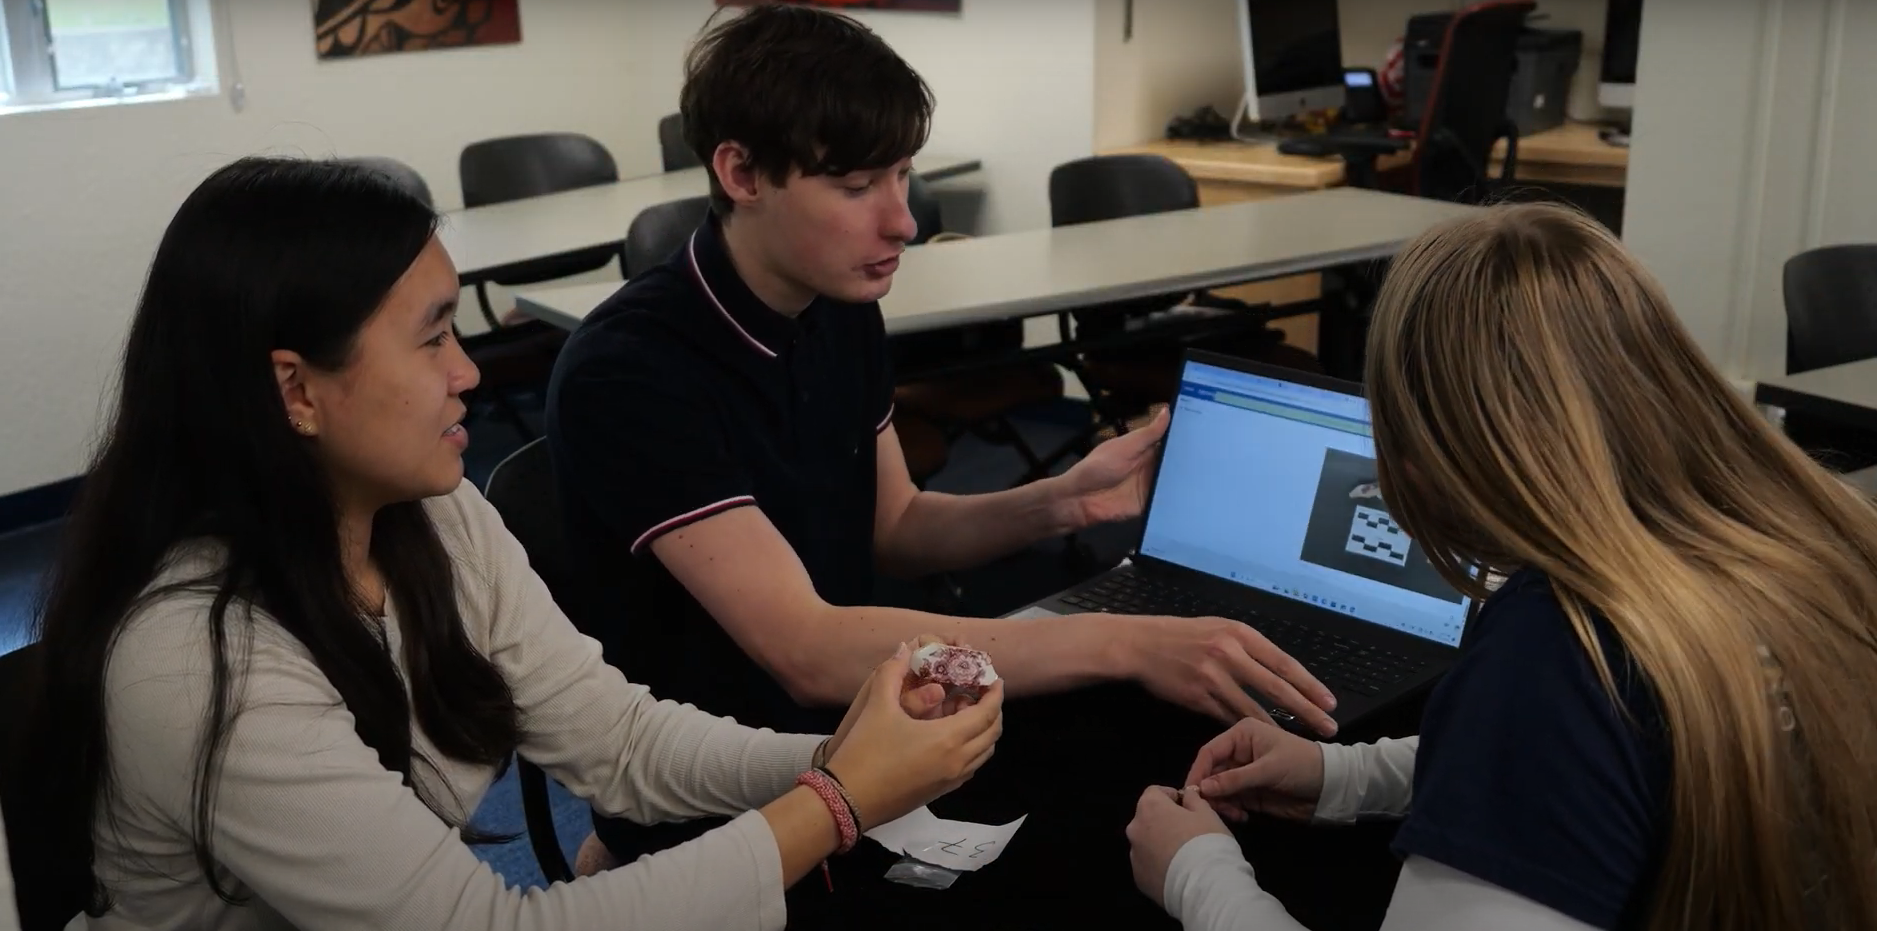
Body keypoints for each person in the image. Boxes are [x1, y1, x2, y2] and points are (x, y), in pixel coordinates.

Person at [5, 157, 1001, 931]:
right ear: (295, 390)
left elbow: (617, 738)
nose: (470, 372)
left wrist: (844, 754)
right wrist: (835, 799)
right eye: (434, 336)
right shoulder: (197, 658)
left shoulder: (431, 515)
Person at [546, 2, 1335, 872]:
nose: (903, 221)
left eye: (902, 176)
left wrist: (1063, 498)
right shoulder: (631, 369)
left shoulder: (834, 303)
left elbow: (896, 527)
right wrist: (1126, 639)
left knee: (1183, 781)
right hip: (737, 792)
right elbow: (806, 649)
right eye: (856, 187)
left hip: (876, 728)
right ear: (741, 172)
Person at [1126, 202, 1877, 930]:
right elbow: (1628, 763)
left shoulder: (1561, 648)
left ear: (1425, 452)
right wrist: (1344, 777)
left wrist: (1197, 875)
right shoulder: (1816, 537)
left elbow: (1559, 736)